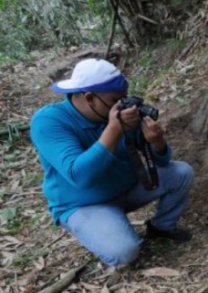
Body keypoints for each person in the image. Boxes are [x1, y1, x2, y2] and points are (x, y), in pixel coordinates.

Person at [30, 58, 195, 268]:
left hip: (125, 189)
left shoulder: (117, 113)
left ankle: (161, 227)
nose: (123, 105)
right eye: (116, 99)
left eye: (124, 98)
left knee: (181, 173)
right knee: (124, 252)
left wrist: (157, 141)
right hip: (84, 203)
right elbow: (80, 176)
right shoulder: (49, 121)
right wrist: (114, 129)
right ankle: (107, 227)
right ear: (90, 98)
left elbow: (161, 161)